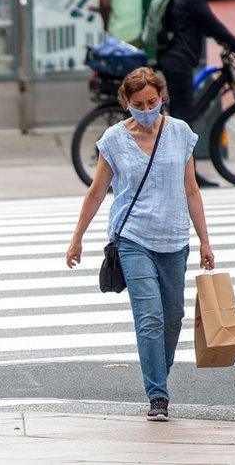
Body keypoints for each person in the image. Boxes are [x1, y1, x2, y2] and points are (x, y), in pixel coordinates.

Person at [65, 67, 215, 422]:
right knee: (149, 318)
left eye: (153, 101)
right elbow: (97, 191)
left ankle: (156, 375)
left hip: (174, 238)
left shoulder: (180, 133)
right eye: (138, 104)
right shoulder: (114, 140)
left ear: (161, 97)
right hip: (132, 238)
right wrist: (77, 238)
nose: (147, 109)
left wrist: (205, 242)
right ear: (125, 102)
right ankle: (158, 396)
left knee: (173, 318)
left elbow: (192, 190)